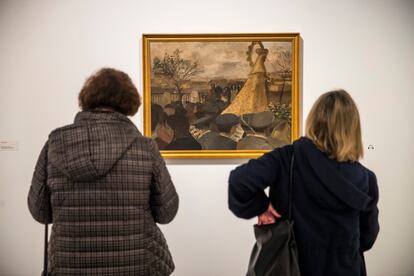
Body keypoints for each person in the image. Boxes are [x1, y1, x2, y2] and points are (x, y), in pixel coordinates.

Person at [28, 68, 179, 276]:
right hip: (136, 263)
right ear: (129, 102)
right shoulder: (145, 148)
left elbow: (40, 212)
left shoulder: (55, 144)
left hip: (69, 264)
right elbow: (166, 213)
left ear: (87, 99)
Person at [228, 90, 379, 276]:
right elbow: (367, 238)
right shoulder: (366, 179)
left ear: (313, 120)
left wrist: (261, 206)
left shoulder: (287, 158)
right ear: (353, 129)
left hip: (292, 268)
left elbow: (240, 181)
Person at [222, 45, 270, 116]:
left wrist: (266, 78)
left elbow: (263, 74)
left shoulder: (259, 67)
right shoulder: (260, 67)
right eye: (264, 57)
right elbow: (261, 75)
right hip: (257, 86)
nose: (265, 58)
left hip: (259, 85)